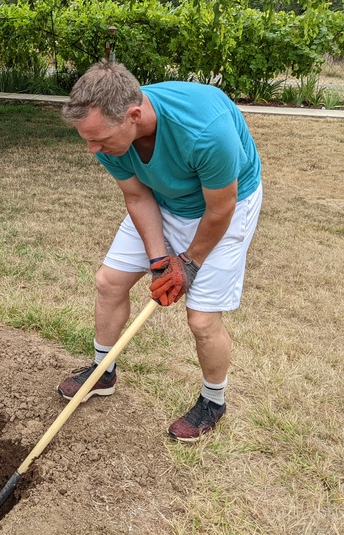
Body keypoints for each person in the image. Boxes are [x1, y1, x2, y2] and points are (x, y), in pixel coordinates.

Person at [58, 61, 262, 442]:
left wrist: (188, 263)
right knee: (109, 281)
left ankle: (213, 401)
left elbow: (221, 208)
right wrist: (158, 261)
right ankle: (103, 370)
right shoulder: (109, 136)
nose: (92, 150)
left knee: (202, 321)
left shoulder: (205, 130)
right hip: (162, 200)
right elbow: (137, 196)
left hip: (223, 208)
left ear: (134, 116)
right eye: (87, 139)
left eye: (99, 140)